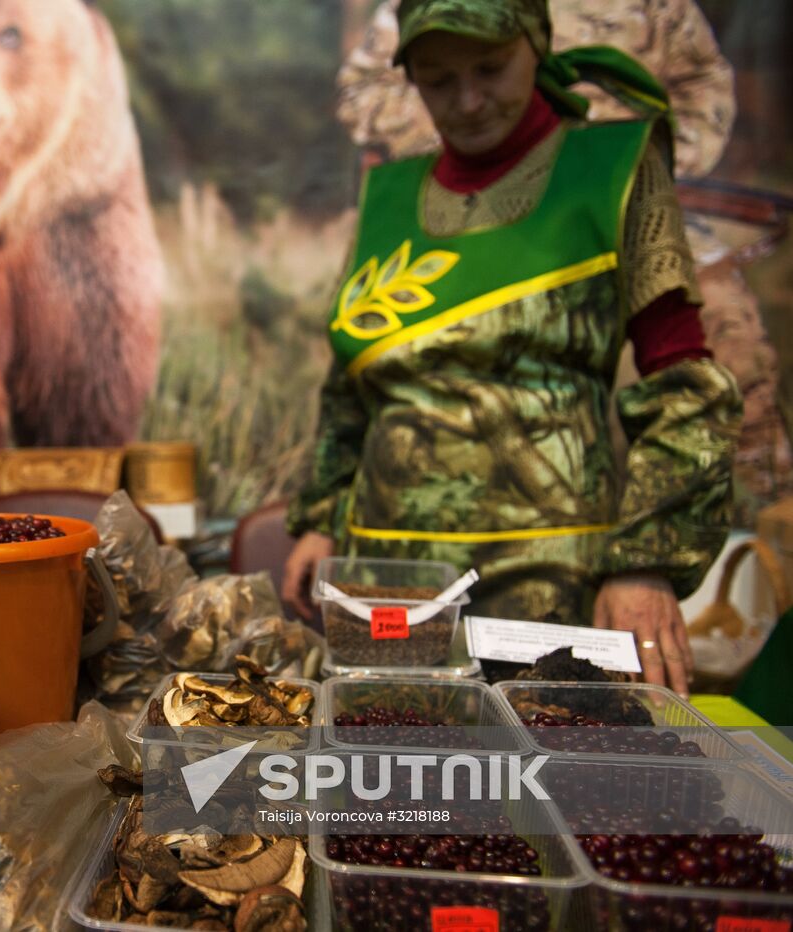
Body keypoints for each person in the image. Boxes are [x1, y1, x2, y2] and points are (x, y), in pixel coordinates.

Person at [282, 0, 743, 697]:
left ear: (538, 44)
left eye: (491, 68)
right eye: (437, 80)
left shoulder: (615, 169)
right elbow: (353, 382)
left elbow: (684, 381)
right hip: (391, 580)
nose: (466, 101)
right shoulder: (387, 194)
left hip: (551, 584)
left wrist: (645, 563)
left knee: (541, 788)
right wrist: (321, 521)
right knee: (397, 783)